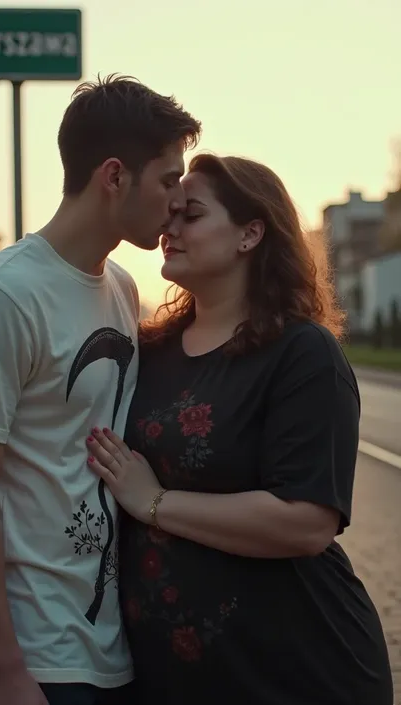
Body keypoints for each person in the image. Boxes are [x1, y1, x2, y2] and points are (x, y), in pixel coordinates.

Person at [0, 74, 201, 705]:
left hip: (110, 641)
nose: (175, 200)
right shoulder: (0, 298)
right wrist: (1, 667)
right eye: (166, 180)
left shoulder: (121, 289)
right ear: (114, 176)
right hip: (31, 661)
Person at [86, 154, 394, 705]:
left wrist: (154, 501)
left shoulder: (303, 354)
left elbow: (306, 523)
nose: (168, 228)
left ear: (251, 233)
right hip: (171, 677)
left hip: (296, 671)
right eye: (169, 213)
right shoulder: (148, 351)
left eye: (191, 215)